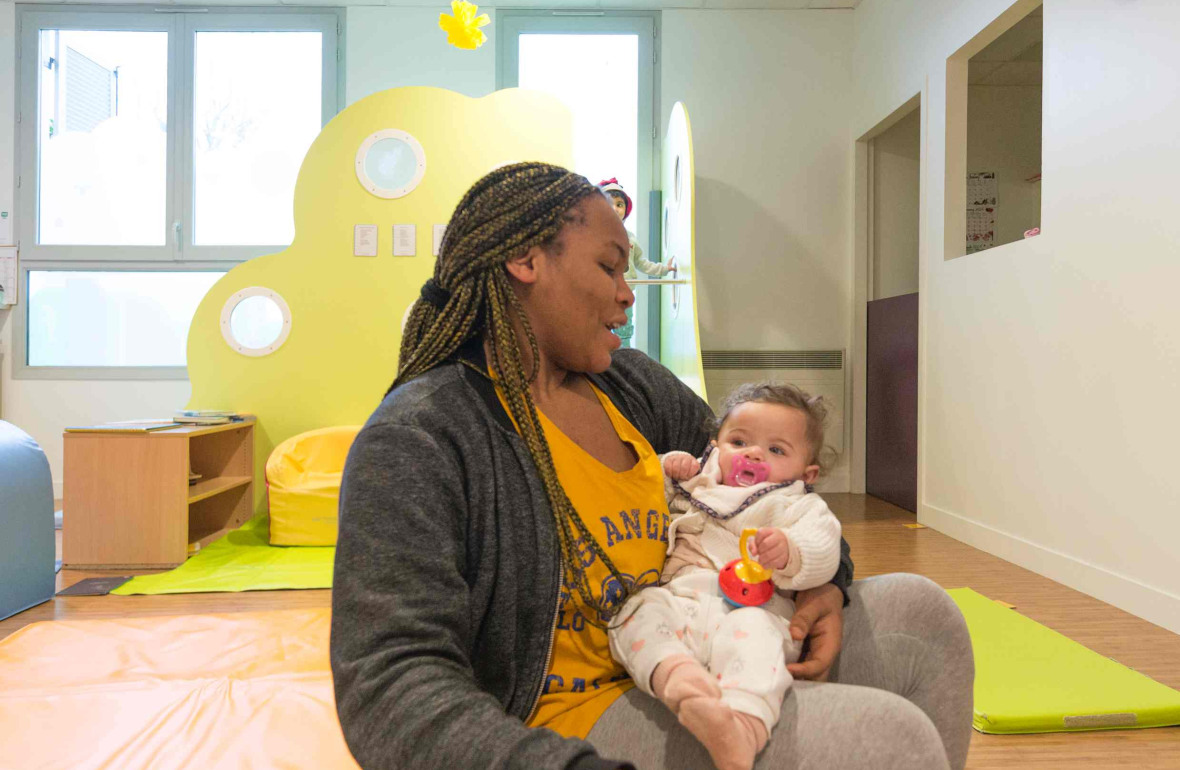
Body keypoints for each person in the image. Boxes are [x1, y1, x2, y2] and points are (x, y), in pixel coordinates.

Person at [330, 162, 974, 770]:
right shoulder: (423, 436)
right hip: (573, 715)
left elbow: (767, 489)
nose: (626, 292)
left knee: (923, 615)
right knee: (891, 741)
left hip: (717, 631)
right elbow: (389, 681)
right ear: (525, 261)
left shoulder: (630, 386)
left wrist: (825, 588)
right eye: (610, 266)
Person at [608, 383, 842, 770]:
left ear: (807, 471)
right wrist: (668, 467)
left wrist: (790, 549)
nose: (753, 453)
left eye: (776, 449)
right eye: (739, 441)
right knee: (636, 610)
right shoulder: (698, 483)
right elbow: (644, 494)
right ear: (715, 446)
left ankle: (742, 727)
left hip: (754, 612)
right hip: (681, 603)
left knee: (756, 640)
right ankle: (680, 681)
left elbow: (824, 547)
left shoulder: (796, 505)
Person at [597, 179, 675, 348]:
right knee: (599, 333)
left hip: (625, 295)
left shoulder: (630, 238)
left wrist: (664, 269)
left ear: (626, 210)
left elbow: (641, 262)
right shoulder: (593, 237)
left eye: (619, 204)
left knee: (624, 334)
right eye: (609, 204)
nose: (615, 209)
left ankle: (625, 367)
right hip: (601, 294)